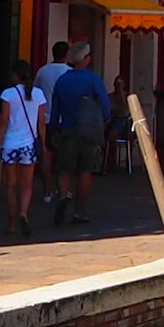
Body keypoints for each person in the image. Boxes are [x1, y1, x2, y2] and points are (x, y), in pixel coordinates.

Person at [44, 41, 109, 227]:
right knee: (85, 171)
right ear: (86, 59)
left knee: (64, 169)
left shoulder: (62, 81)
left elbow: (55, 109)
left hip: (68, 130)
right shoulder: (93, 79)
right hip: (89, 131)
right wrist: (104, 120)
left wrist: (53, 130)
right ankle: (79, 212)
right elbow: (105, 105)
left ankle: (64, 195)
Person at [0, 59, 48, 237]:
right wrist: (44, 143)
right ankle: (23, 213)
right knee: (27, 185)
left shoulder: (7, 94)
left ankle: (11, 224)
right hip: (29, 144)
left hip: (10, 144)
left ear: (15, 75)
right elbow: (41, 122)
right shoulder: (38, 94)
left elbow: (3, 121)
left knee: (10, 185)